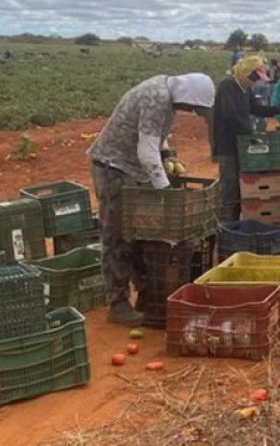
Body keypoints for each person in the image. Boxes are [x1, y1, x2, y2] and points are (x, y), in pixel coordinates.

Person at [88, 73, 215, 326]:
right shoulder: (156, 97)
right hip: (113, 167)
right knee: (117, 236)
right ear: (187, 95)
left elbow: (155, 133)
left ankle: (146, 294)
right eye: (191, 106)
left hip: (130, 168)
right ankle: (118, 303)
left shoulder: (165, 94)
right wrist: (166, 191)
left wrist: (166, 154)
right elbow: (146, 152)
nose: (190, 111)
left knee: (140, 233)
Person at [213, 56, 280, 222]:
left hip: (243, 145)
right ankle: (225, 225)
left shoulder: (246, 88)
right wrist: (250, 134)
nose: (255, 81)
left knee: (243, 186)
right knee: (230, 187)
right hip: (228, 145)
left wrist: (277, 109)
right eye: (254, 77)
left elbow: (255, 108)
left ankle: (236, 221)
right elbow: (230, 114)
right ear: (246, 72)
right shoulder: (228, 85)